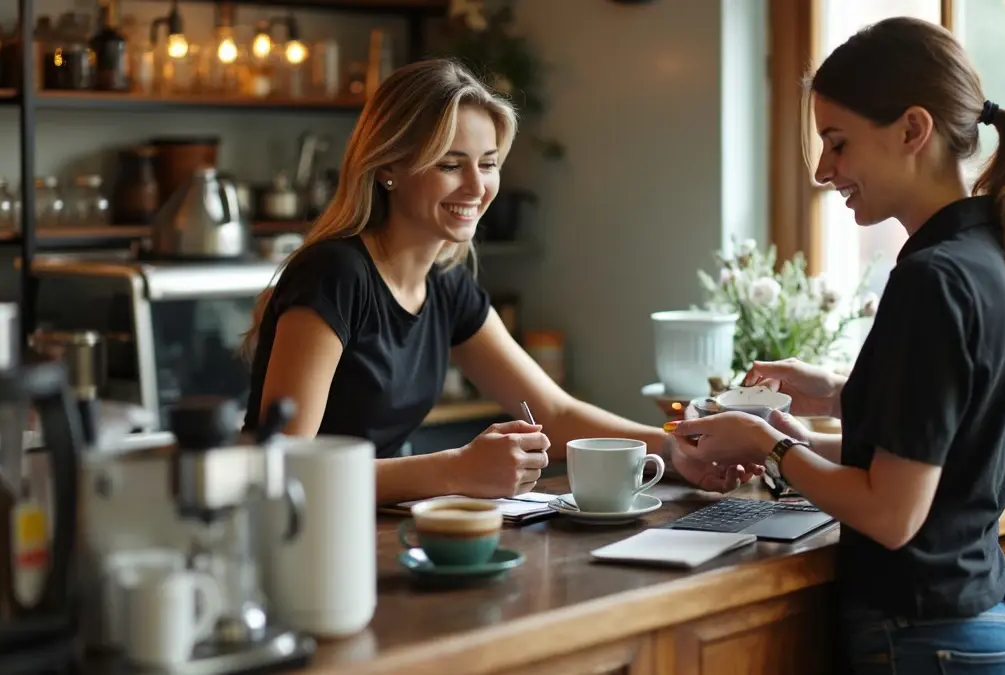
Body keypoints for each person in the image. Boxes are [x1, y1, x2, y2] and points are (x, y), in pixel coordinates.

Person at [666, 17, 1005, 675]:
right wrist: (824, 409)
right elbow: (932, 449)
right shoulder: (984, 253)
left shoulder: (931, 277)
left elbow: (892, 514)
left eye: (837, 143)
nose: (820, 169)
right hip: (995, 626)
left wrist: (768, 445)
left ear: (912, 129)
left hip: (932, 642)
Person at [241, 58, 758, 505]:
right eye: (451, 164)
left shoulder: (444, 283)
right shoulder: (335, 274)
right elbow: (284, 467)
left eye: (488, 164)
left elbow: (554, 412)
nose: (477, 187)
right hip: (293, 539)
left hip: (368, 534)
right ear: (388, 168)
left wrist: (671, 450)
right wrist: (456, 469)